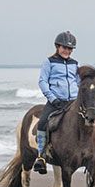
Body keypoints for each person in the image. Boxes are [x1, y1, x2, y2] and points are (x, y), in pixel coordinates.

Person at [33, 31, 79, 174]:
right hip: (55, 102)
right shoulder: (49, 62)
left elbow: (78, 82)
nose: (67, 51)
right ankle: (41, 156)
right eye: (64, 47)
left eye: (70, 49)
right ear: (57, 46)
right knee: (42, 123)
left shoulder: (74, 64)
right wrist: (52, 98)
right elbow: (42, 81)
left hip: (72, 102)